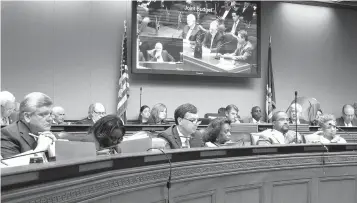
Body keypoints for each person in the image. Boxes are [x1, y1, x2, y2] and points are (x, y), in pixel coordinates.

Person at [1, 92, 57, 158]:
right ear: (27, 116)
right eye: (43, 114)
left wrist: (53, 147)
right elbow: (10, 166)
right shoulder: (7, 134)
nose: (50, 119)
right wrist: (40, 150)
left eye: (50, 114)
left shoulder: (45, 133)